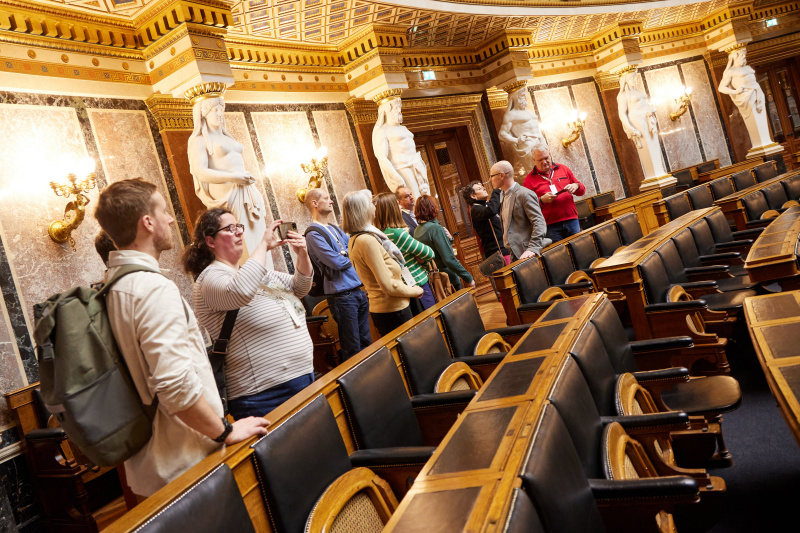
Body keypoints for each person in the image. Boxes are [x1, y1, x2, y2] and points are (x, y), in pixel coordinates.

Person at [95, 178, 268, 498]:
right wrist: (226, 431)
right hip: (185, 463)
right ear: (147, 222)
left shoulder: (111, 285)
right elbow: (176, 388)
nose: (171, 219)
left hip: (153, 461)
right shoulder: (150, 289)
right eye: (163, 211)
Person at [183, 209, 315, 421]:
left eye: (239, 227)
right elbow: (241, 291)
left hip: (301, 377)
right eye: (229, 228)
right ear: (210, 241)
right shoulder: (209, 279)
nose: (239, 233)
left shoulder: (251, 272)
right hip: (263, 394)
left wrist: (302, 255)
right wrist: (262, 245)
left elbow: (299, 287)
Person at [187, 95, 269, 265]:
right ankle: (253, 282)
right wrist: (234, 177)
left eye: (221, 109)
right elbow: (200, 172)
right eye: (214, 110)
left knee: (257, 237)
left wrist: (242, 178)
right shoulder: (198, 140)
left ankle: (266, 276)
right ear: (204, 114)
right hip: (228, 195)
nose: (219, 114)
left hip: (246, 192)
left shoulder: (227, 137)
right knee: (242, 241)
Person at [342, 189, 423, 336]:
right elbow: (388, 285)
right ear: (364, 209)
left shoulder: (357, 238)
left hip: (387, 309)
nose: (374, 206)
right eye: (371, 203)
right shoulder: (366, 240)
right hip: (393, 310)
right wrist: (414, 291)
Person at [304, 188, 371, 359]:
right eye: (326, 198)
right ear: (315, 203)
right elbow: (337, 262)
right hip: (343, 296)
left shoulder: (333, 228)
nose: (331, 201)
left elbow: (355, 250)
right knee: (352, 347)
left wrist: (345, 253)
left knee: (366, 343)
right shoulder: (313, 234)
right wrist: (347, 254)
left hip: (358, 291)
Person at [373, 192, 436, 314]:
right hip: (417, 282)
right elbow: (429, 253)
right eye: (397, 204)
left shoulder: (379, 234)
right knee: (432, 321)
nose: (400, 207)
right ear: (391, 208)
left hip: (403, 286)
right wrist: (421, 261)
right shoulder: (397, 233)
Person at [522, 145, 586, 243]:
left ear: (550, 155)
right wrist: (541, 200)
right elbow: (527, 206)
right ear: (534, 160)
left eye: (546, 158)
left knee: (580, 249)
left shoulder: (563, 169)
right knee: (559, 256)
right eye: (540, 160)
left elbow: (582, 191)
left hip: (571, 220)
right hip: (550, 226)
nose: (544, 162)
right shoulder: (528, 180)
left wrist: (576, 186)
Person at [489, 160, 550, 261]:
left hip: (529, 253)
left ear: (502, 175)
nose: (490, 180)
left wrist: (533, 248)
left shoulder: (524, 194)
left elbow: (539, 222)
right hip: (515, 254)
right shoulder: (503, 196)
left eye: (492, 176)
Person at [372, 96, 430, 197]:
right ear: (386, 110)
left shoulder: (404, 128)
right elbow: (381, 157)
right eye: (396, 108)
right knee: (415, 201)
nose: (399, 110)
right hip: (403, 170)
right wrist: (396, 177)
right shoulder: (382, 131)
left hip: (417, 167)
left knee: (427, 200)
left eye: (399, 107)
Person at [414, 195, 475, 290]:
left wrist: (449, 240)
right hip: (448, 278)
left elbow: (434, 249)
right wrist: (468, 277)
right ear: (432, 208)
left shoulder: (418, 230)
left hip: (434, 278)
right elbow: (448, 259)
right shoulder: (435, 228)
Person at [617, 71, 668, 180]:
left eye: (635, 78)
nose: (635, 81)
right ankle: (653, 175)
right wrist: (630, 128)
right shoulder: (623, 95)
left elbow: (646, 103)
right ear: (626, 80)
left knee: (654, 144)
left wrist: (651, 109)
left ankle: (660, 172)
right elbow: (622, 113)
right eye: (632, 79)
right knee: (646, 146)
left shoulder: (638, 91)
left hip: (648, 119)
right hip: (637, 120)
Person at [498, 86, 546, 179]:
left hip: (540, 139)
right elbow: (502, 134)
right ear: (516, 97)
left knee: (546, 166)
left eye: (525, 96)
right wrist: (516, 140)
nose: (525, 98)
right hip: (528, 143)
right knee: (535, 169)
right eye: (522, 96)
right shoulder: (511, 114)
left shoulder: (528, 111)